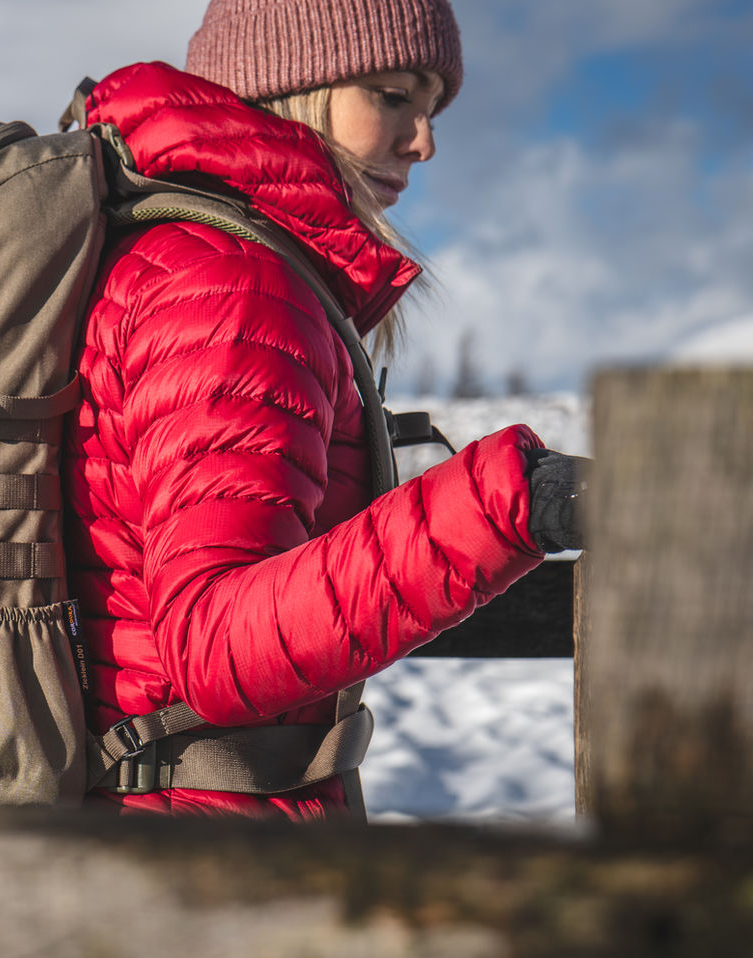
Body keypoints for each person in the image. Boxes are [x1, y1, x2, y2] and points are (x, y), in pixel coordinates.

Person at [64, 0, 585, 817]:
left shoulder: (183, 253)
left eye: (430, 106)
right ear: (294, 85)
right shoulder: (231, 285)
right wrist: (512, 503)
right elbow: (214, 643)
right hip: (204, 852)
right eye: (392, 95)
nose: (425, 141)